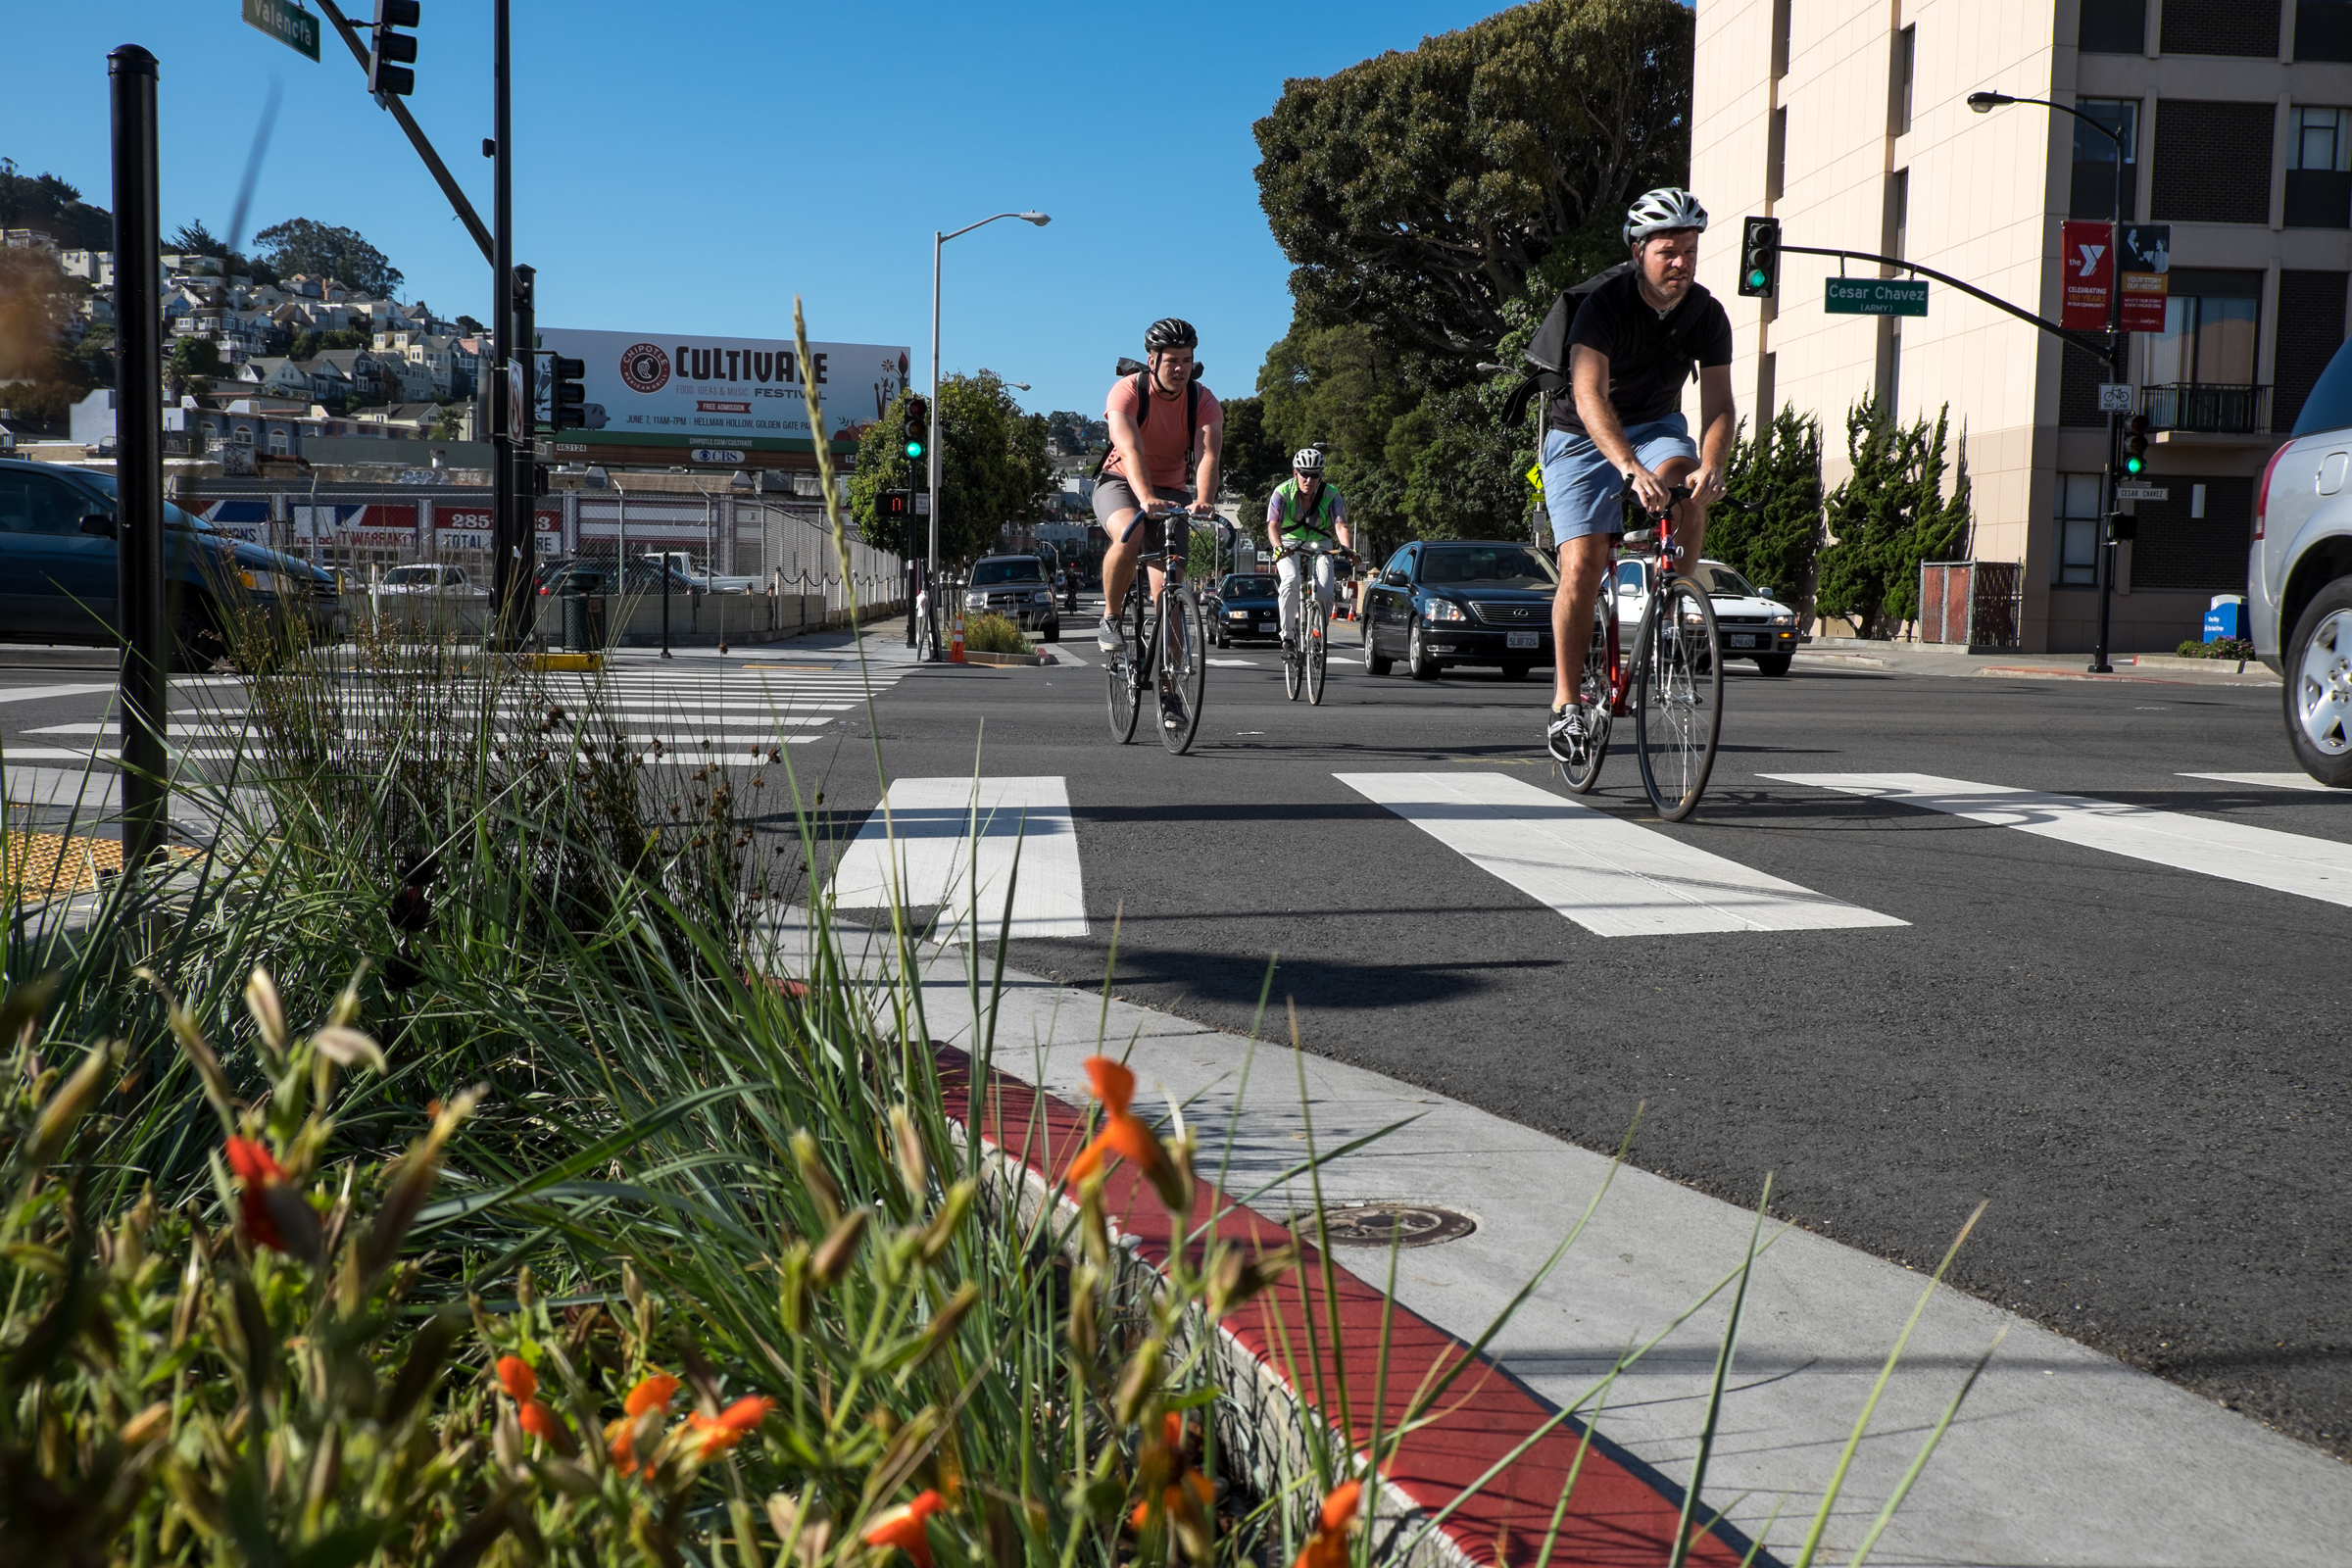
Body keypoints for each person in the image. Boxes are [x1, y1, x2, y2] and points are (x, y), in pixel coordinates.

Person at [1541, 186, 1738, 761]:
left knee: (1688, 491)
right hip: (1581, 435)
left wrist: (1713, 465)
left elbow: (1720, 406)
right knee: (1583, 561)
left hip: (1655, 424)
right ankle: (1566, 703)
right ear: (1637, 251)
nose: (1681, 263)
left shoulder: (1706, 313)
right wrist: (1627, 468)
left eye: (1690, 252)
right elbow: (1587, 394)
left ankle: (1673, 604)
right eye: (1668, 252)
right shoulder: (1602, 305)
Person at [1096, 318, 1223, 658]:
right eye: (1172, 360)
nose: (1181, 368)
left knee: (1169, 593)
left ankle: (1171, 694)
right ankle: (1111, 615)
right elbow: (1129, 448)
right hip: (1121, 482)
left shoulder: (1203, 400)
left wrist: (1205, 500)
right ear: (1153, 361)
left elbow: (1208, 454)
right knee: (1129, 533)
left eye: (1186, 359)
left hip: (1172, 493)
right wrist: (1146, 497)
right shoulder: (1127, 391)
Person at [1265, 448, 1352, 650]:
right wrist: (1278, 547)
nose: (1309, 480)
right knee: (1290, 580)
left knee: (1325, 590)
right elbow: (1273, 525)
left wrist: (1347, 548)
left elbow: (1340, 524)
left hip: (1320, 543)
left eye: (1315, 475)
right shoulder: (1282, 492)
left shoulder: (1330, 493)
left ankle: (1316, 633)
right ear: (1295, 472)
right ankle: (1287, 637)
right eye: (1305, 474)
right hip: (1287, 543)